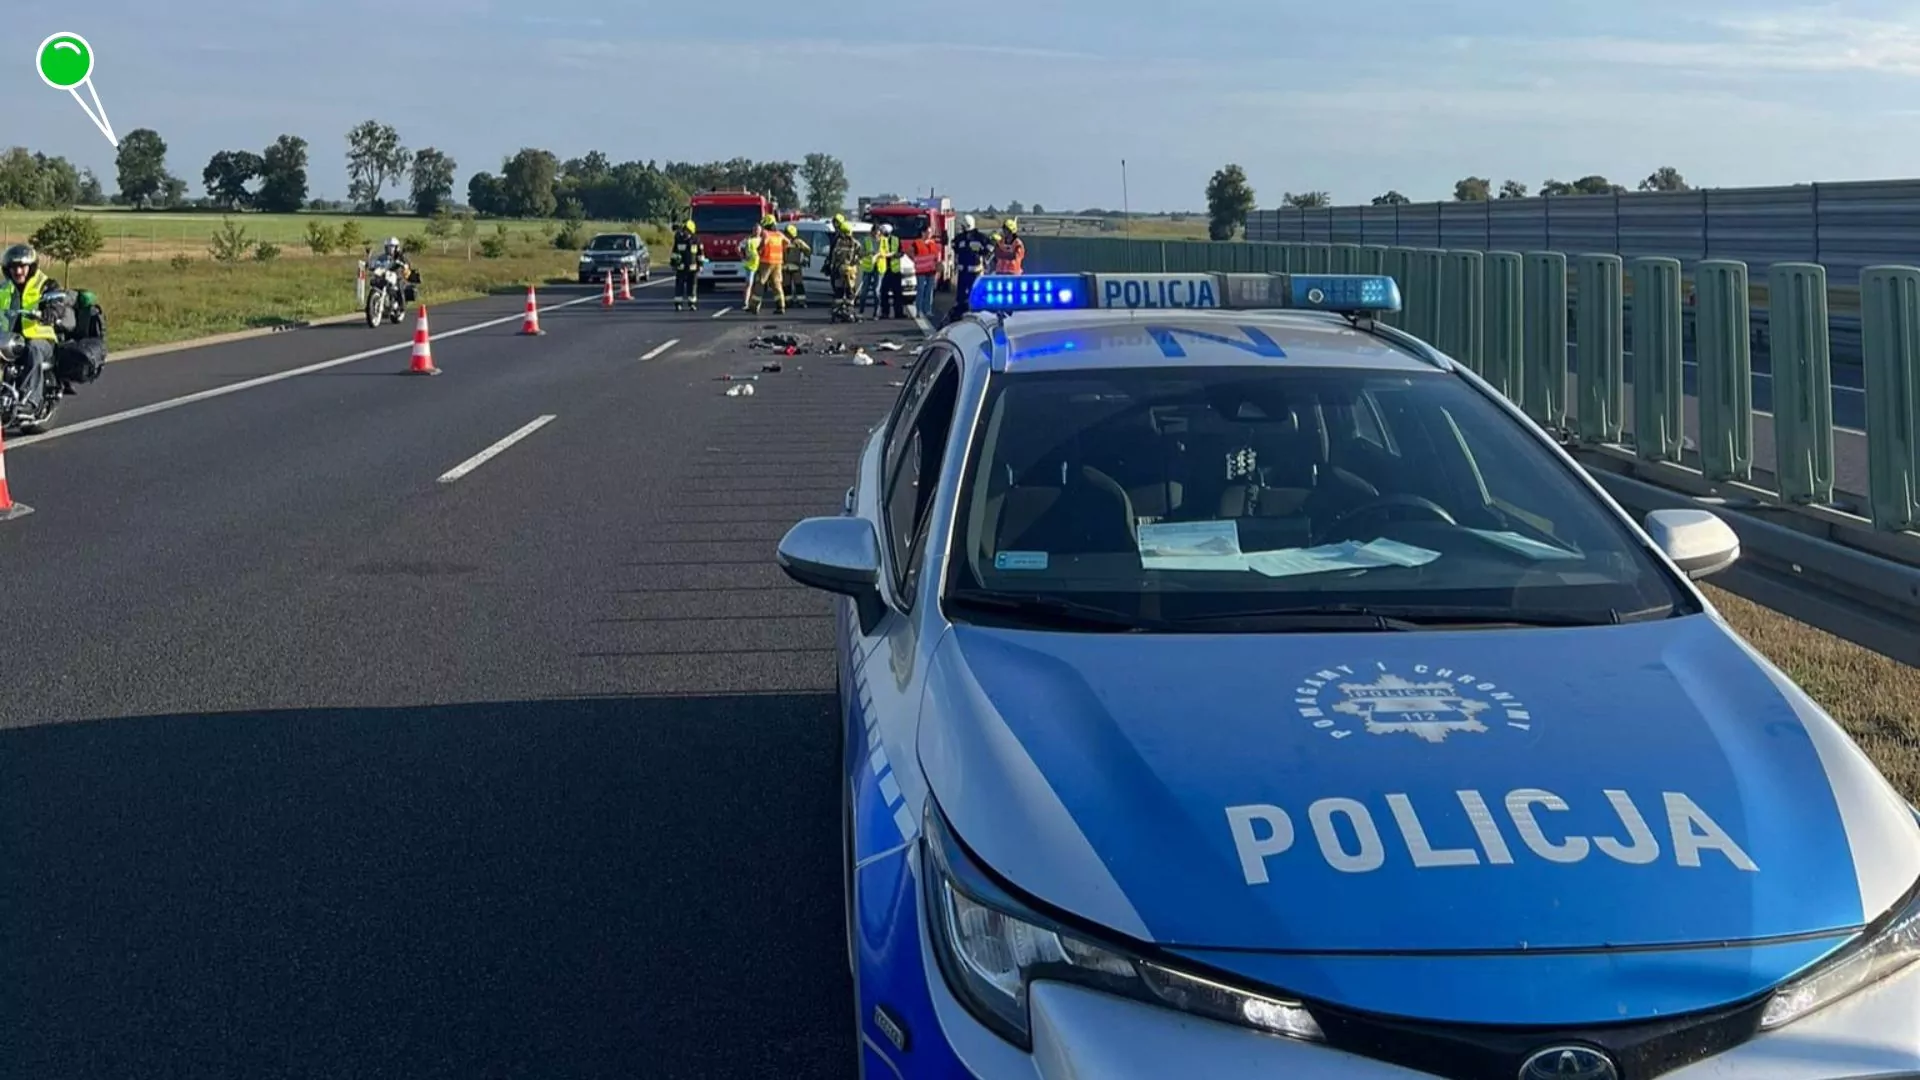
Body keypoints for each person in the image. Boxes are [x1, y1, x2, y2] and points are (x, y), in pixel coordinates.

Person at [2, 243, 69, 418]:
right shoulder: (4, 288)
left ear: (30, 267)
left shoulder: (46, 285)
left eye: (22, 267)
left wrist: (51, 311)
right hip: (12, 339)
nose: (18, 271)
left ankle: (30, 400)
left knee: (33, 349)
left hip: (41, 339)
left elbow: (58, 302)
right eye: (14, 267)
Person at [947, 214, 994, 323]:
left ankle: (976, 315)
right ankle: (959, 316)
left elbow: (991, 246)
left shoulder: (979, 237)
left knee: (975, 294)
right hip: (963, 271)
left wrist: (981, 253)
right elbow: (954, 245)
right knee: (961, 296)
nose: (961, 228)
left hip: (975, 272)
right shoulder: (960, 237)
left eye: (963, 226)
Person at [745, 215, 788, 315]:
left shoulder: (766, 233)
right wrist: (782, 250)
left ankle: (754, 306)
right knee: (777, 284)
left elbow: (764, 241)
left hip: (766, 262)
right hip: (778, 263)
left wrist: (759, 250)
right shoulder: (779, 234)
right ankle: (781, 306)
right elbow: (787, 242)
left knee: (760, 283)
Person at [824, 214, 861, 323]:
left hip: (839, 271)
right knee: (850, 294)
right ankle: (849, 312)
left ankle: (838, 312)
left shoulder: (837, 242)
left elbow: (833, 257)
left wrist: (831, 267)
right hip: (850, 272)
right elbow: (860, 256)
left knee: (839, 292)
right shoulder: (855, 243)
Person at [670, 219, 704, 311]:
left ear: (691, 231)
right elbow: (674, 252)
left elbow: (700, 254)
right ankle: (678, 303)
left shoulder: (696, 240)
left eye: (687, 230)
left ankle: (692, 303)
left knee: (692, 286)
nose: (685, 232)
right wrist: (673, 264)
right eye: (685, 230)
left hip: (693, 268)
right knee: (679, 286)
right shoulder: (679, 239)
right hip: (681, 267)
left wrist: (701, 265)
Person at [874, 223, 905, 319]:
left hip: (895, 270)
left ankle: (898, 313)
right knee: (884, 292)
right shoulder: (880, 240)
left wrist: (895, 255)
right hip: (884, 270)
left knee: (897, 293)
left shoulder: (896, 239)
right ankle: (885, 312)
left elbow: (901, 252)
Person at [781, 224, 813, 308]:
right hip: (785, 267)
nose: (786, 234)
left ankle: (801, 301)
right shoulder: (783, 241)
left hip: (795, 267)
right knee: (786, 286)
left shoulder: (798, 242)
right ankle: (788, 301)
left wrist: (805, 259)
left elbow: (808, 250)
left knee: (798, 285)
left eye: (787, 233)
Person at [856, 228, 878, 316]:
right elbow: (860, 253)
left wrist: (879, 254)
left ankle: (876, 313)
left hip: (878, 268)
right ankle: (861, 311)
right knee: (864, 290)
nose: (876, 235)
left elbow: (886, 252)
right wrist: (868, 253)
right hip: (868, 268)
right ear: (872, 232)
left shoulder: (883, 241)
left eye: (878, 234)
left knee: (876, 291)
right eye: (875, 233)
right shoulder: (866, 240)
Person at [740, 226, 762, 310]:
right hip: (750, 266)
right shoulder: (748, 240)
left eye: (758, 230)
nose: (757, 232)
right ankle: (746, 302)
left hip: (760, 265)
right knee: (749, 284)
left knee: (758, 285)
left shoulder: (762, 240)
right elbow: (738, 247)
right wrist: (743, 257)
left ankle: (756, 303)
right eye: (755, 230)